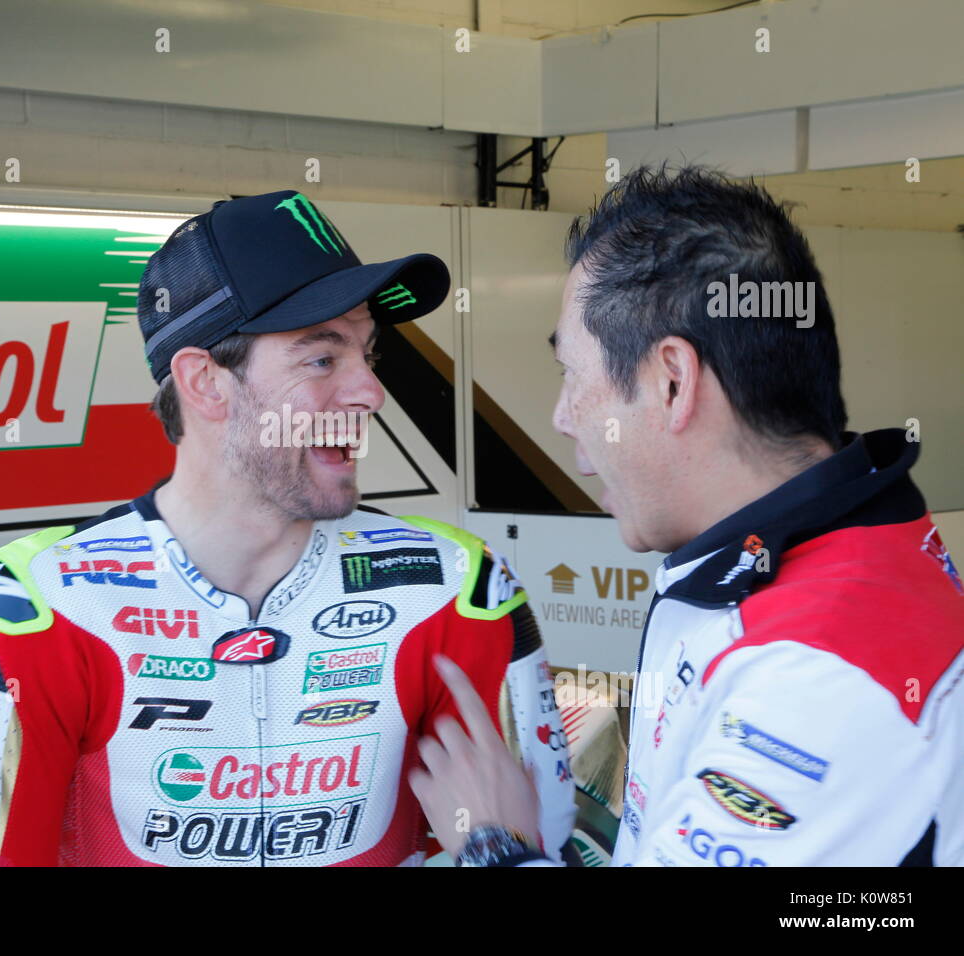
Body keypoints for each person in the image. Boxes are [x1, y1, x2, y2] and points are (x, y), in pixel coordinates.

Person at [0, 188, 577, 866]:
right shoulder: (25, 612)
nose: (371, 393)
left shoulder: (456, 592)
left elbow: (541, 850)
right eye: (322, 358)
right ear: (204, 384)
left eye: (367, 354)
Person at [410, 165, 964, 867]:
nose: (559, 417)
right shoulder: (790, 560)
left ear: (672, 381)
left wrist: (496, 847)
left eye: (571, 376)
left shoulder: (816, 675)